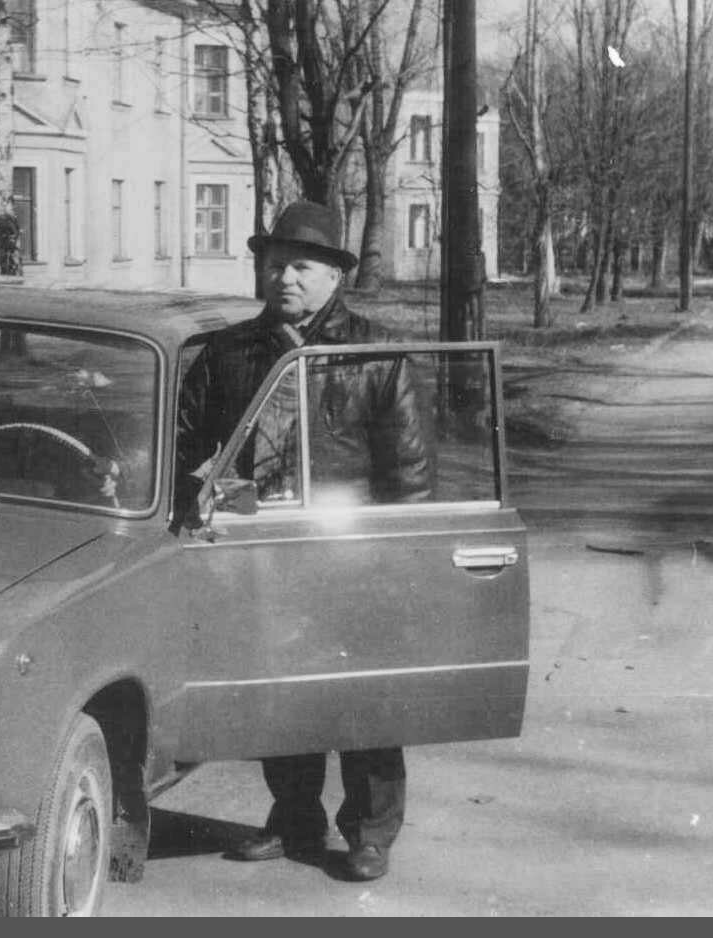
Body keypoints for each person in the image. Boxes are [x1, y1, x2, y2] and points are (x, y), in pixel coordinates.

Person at [174, 201, 431, 882]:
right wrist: (195, 490)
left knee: (361, 695)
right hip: (263, 547)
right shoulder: (229, 353)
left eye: (301, 267)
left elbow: (409, 475)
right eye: (274, 264)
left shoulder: (374, 354)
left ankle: (369, 833)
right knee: (278, 690)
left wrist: (401, 566)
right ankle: (294, 818)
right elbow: (186, 444)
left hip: (352, 553)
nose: (283, 277)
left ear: (334, 277)